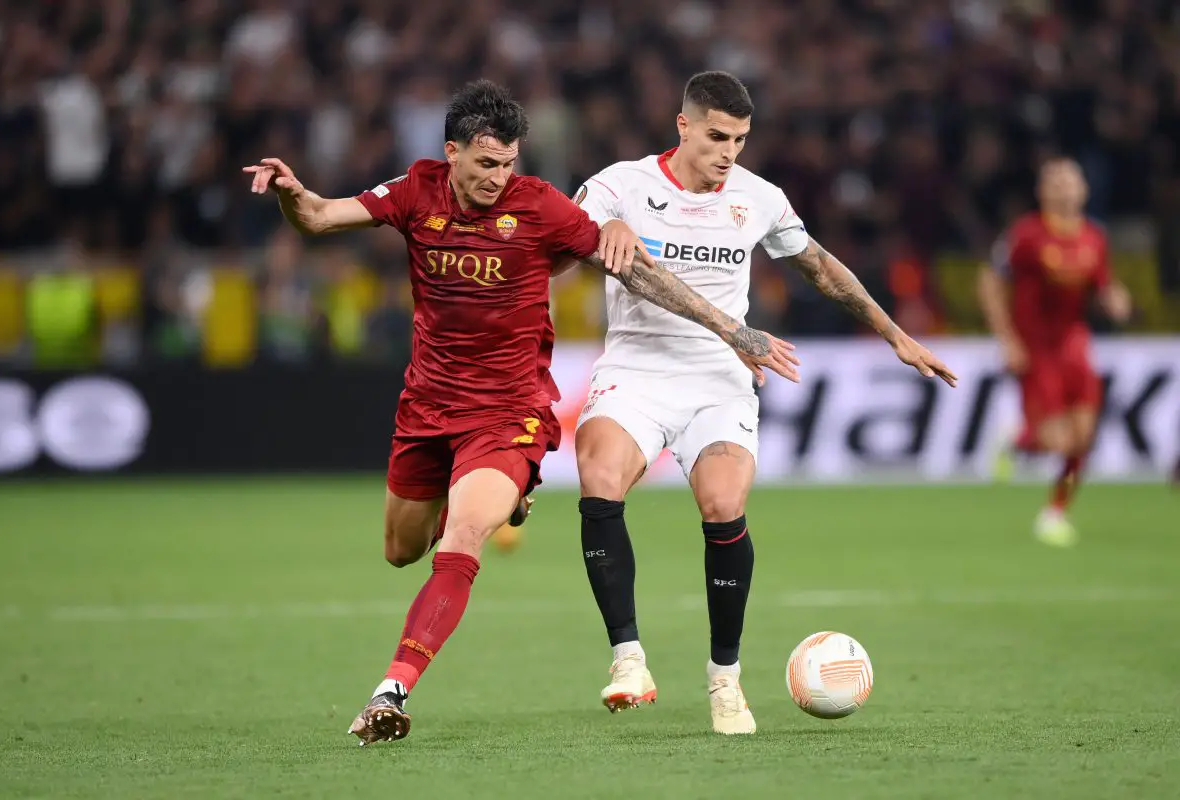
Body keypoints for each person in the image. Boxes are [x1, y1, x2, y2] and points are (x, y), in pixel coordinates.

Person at [243, 80, 801, 744]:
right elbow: (318, 217)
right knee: (401, 550)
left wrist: (730, 328)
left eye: (509, 163)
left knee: (461, 545)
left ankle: (389, 692)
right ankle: (497, 499)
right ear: (451, 153)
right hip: (426, 405)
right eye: (485, 164)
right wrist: (287, 193)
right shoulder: (415, 191)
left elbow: (638, 271)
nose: (498, 178)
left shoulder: (538, 206)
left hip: (508, 412)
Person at [562, 71, 956, 735]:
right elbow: (594, 250)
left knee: (722, 505)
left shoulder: (758, 198)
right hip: (636, 370)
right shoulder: (617, 187)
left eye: (741, 139)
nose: (729, 152)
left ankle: (726, 681)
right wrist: (605, 237)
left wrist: (894, 334)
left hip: (720, 380)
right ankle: (628, 659)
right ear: (682, 125)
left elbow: (821, 266)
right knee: (599, 478)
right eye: (717, 136)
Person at [978, 157, 1132, 546]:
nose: (1064, 188)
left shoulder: (1094, 237)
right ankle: (1016, 439)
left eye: (1070, 181)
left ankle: (1056, 512)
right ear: (1042, 191)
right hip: (1035, 347)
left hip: (1073, 343)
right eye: (1056, 181)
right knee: (1057, 440)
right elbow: (989, 283)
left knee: (1083, 438)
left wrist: (1116, 300)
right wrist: (1007, 338)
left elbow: (1103, 286)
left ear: (1084, 189)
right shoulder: (1026, 235)